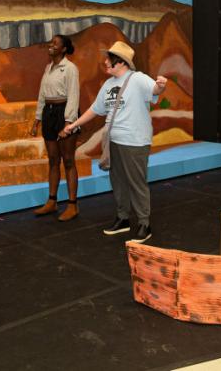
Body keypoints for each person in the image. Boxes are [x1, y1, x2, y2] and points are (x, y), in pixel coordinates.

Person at [62, 41, 167, 243]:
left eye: (109, 59)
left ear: (120, 62)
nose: (105, 62)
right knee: (118, 182)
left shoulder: (137, 79)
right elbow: (95, 109)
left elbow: (154, 90)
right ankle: (123, 218)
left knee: (136, 182)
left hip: (135, 142)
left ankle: (144, 223)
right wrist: (74, 124)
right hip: (113, 142)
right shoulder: (108, 84)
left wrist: (160, 86)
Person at [30, 35, 81, 221]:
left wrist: (69, 122)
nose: (50, 45)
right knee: (53, 160)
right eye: (51, 43)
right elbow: (42, 95)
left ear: (64, 49)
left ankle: (73, 205)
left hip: (64, 113)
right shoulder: (48, 68)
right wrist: (37, 119)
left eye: (55, 43)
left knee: (68, 160)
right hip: (49, 114)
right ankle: (52, 201)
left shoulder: (70, 68)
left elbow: (74, 96)